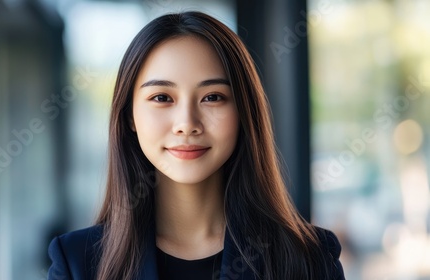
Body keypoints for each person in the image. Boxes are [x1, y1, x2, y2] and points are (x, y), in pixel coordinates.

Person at [48, 11, 345, 280]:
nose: (187, 123)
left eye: (212, 97)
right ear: (129, 116)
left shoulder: (309, 259)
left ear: (243, 112)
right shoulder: (78, 263)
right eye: (162, 98)